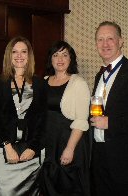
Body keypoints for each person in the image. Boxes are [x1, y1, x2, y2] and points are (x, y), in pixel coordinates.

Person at [0, 36, 45, 195]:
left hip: (31, 154)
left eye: (23, 52)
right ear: (9, 55)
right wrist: (7, 146)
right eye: (15, 52)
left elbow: (42, 120)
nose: (19, 55)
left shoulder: (39, 83)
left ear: (29, 56)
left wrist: (33, 148)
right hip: (6, 152)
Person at [41, 41, 91, 196]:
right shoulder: (43, 81)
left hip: (69, 141)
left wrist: (70, 149)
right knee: (49, 186)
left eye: (65, 54)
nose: (60, 59)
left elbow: (82, 120)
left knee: (69, 187)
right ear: (51, 59)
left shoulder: (79, 83)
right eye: (56, 55)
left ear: (71, 59)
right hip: (49, 143)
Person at [90, 21, 128, 196]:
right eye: (100, 39)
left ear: (121, 41)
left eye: (110, 39)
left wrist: (110, 122)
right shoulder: (100, 75)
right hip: (100, 155)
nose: (105, 44)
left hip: (122, 158)